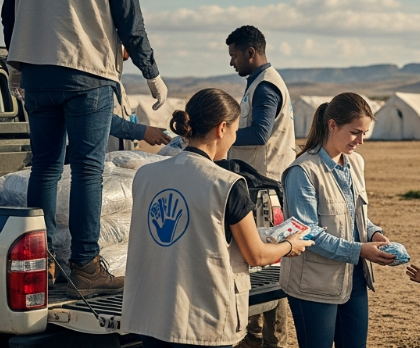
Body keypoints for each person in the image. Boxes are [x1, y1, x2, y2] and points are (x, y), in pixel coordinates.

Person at [0, 0, 168, 298]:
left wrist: (24, 58)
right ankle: (86, 266)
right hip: (86, 72)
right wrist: (153, 74)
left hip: (37, 74)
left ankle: (43, 263)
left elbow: (9, 14)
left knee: (45, 169)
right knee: (89, 171)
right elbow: (130, 19)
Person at [122, 88, 313, 348]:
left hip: (150, 316)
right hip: (202, 322)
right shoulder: (228, 183)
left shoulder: (145, 176)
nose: (234, 139)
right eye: (234, 131)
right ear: (222, 129)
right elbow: (255, 256)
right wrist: (292, 245)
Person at [280, 93, 396, 348]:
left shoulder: (355, 162)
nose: (361, 141)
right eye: (355, 132)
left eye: (365, 133)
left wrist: (374, 233)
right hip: (314, 284)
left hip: (354, 278)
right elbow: (307, 233)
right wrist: (360, 249)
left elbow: (354, 216)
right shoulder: (303, 172)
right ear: (332, 125)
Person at [226, 25, 296, 348]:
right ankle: (253, 336)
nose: (232, 63)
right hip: (259, 183)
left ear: (251, 53)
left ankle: (273, 341)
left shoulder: (266, 87)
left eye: (235, 55)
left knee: (270, 265)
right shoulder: (257, 84)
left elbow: (261, 133)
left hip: (268, 187)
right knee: (256, 262)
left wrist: (220, 134)